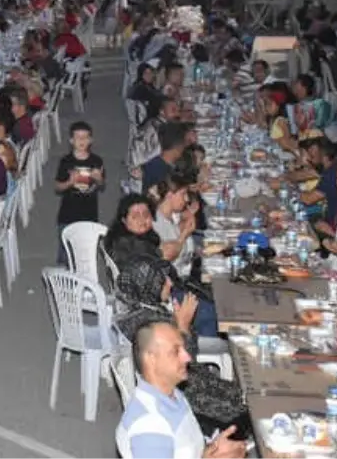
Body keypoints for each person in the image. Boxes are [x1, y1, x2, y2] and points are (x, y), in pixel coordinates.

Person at [115, 257, 245, 438]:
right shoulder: (149, 325)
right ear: (148, 286)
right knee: (248, 408)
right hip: (186, 397)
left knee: (245, 394)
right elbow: (186, 360)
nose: (169, 283)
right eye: (162, 280)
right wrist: (183, 325)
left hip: (188, 384)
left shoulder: (141, 310)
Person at [116, 321, 246, 459]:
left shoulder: (172, 393)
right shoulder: (149, 426)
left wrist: (211, 451)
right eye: (175, 351)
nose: (187, 357)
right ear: (151, 359)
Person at [54, 121, 105, 263]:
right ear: (71, 141)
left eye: (85, 137)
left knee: (85, 251)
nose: (82, 141)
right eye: (78, 137)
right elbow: (58, 186)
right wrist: (70, 182)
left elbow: (101, 185)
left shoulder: (96, 161)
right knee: (66, 251)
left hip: (89, 212)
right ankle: (65, 277)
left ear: (91, 140)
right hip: (68, 213)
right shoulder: (66, 161)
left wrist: (99, 178)